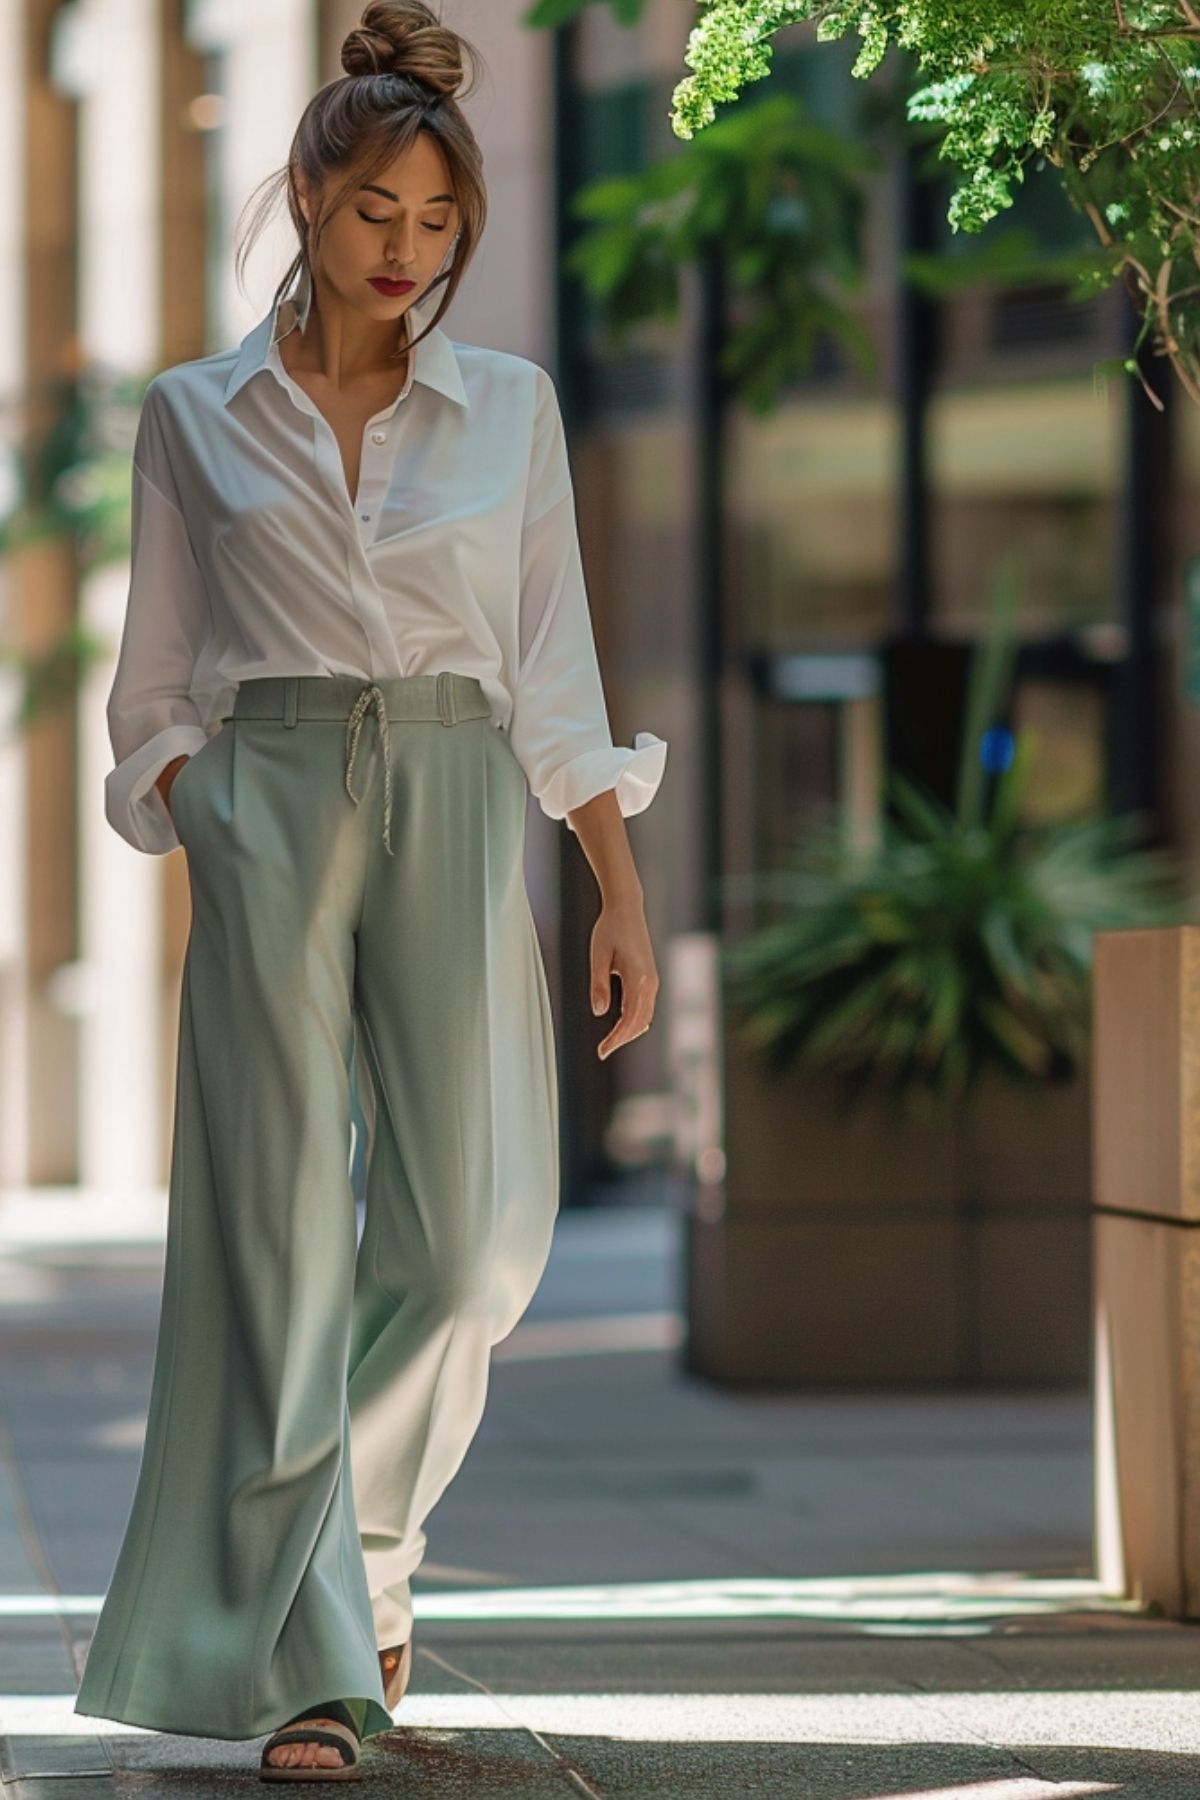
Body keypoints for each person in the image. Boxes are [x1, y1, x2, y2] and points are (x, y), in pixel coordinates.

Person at [72, 0, 667, 1781]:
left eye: (437, 223)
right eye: (374, 214)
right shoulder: (195, 416)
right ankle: (318, 1664)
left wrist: (617, 890)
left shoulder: (515, 410)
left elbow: (553, 672)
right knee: (276, 1253)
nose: (406, 251)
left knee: (474, 1238)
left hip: (466, 792)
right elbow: (151, 685)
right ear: (309, 201)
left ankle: (371, 1561)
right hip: (265, 800)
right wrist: (201, 803)